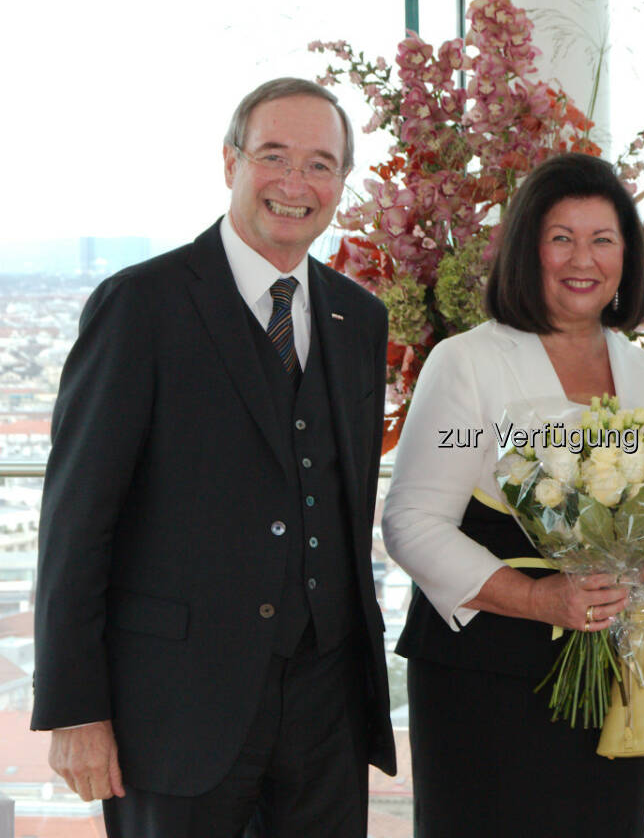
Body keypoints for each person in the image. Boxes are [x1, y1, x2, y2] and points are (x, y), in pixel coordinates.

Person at [31, 77, 397, 836]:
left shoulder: (357, 317)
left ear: (341, 184)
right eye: (274, 156)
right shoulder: (141, 305)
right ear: (229, 161)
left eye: (321, 165)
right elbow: (76, 521)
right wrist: (75, 709)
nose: (296, 184)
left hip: (326, 708)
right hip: (174, 710)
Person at [382, 152, 644, 837]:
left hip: (605, 674)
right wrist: (541, 598)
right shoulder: (468, 360)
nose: (583, 258)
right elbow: (412, 523)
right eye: (560, 237)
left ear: (627, 257)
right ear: (526, 251)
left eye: (603, 239)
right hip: (484, 675)